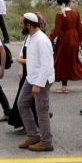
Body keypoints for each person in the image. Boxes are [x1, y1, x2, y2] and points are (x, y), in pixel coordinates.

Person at [17, 12, 55, 152]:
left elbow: (47, 66)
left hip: (42, 80)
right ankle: (33, 136)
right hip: (31, 78)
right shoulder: (31, 37)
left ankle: (46, 142)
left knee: (42, 112)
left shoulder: (42, 40)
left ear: (29, 25)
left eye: (22, 24)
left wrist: (38, 85)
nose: (20, 26)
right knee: (22, 104)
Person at [48, 0, 82, 93]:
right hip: (74, 39)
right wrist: (81, 42)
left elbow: (56, 30)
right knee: (74, 60)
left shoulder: (60, 14)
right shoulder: (75, 13)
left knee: (62, 62)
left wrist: (48, 39)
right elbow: (79, 28)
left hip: (64, 40)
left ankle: (64, 87)